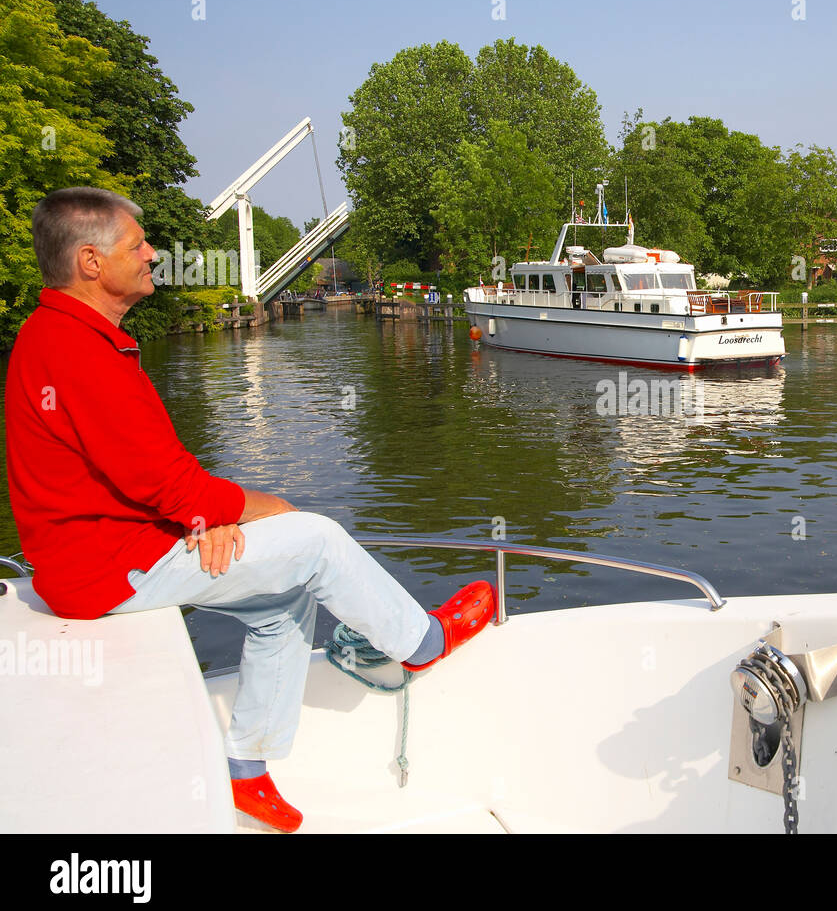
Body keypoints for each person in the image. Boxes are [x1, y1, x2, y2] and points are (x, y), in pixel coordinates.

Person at [5, 188, 495, 832]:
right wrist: (262, 509)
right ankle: (422, 642)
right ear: (91, 262)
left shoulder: (57, 336)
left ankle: (247, 771)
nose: (154, 254)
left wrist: (207, 519)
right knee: (313, 539)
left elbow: (133, 478)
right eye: (137, 245)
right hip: (106, 571)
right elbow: (166, 484)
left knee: (281, 601)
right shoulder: (79, 352)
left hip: (105, 554)